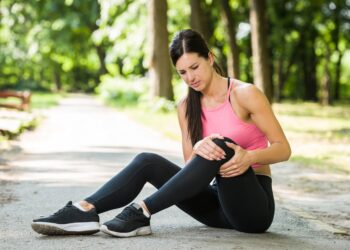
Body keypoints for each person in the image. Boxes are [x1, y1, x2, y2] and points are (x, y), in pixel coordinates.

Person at [31, 29, 291, 237]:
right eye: (182, 72)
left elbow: (283, 148)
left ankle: (141, 210)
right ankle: (85, 210)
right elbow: (192, 170)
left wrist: (247, 156)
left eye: (195, 67)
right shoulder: (186, 107)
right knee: (147, 161)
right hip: (217, 208)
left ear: (210, 58)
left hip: (253, 209)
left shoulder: (245, 94)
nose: (190, 78)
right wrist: (200, 145)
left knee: (222, 144)